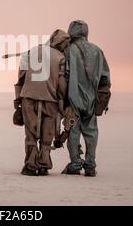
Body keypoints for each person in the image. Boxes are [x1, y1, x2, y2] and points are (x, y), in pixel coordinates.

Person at [13, 29, 70, 176]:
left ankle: (30, 165)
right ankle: (44, 164)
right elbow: (62, 83)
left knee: (31, 133)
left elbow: (21, 77)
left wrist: (17, 100)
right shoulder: (60, 57)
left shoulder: (31, 52)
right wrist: (62, 100)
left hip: (29, 97)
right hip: (50, 99)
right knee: (47, 134)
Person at [61, 20, 111, 177]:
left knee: (73, 132)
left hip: (73, 98)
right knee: (91, 133)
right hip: (91, 100)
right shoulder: (97, 51)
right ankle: (90, 165)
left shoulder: (68, 50)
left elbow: (64, 76)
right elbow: (105, 79)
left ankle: (75, 164)